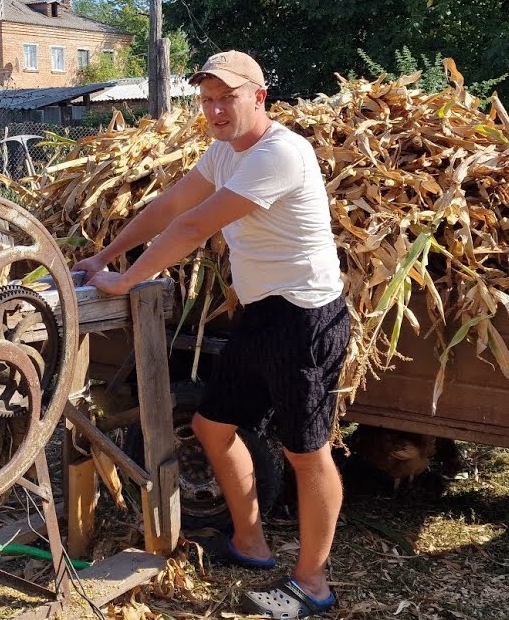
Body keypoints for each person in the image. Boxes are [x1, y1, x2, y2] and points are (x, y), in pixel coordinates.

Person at [74, 50, 349, 617]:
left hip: (305, 318)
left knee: (306, 452)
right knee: (212, 425)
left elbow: (195, 225)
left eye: (228, 97)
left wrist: (127, 279)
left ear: (259, 97)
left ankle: (313, 585)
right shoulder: (224, 153)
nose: (217, 109)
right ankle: (250, 545)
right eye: (207, 99)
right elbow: (171, 205)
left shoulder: (281, 154)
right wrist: (103, 255)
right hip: (264, 316)